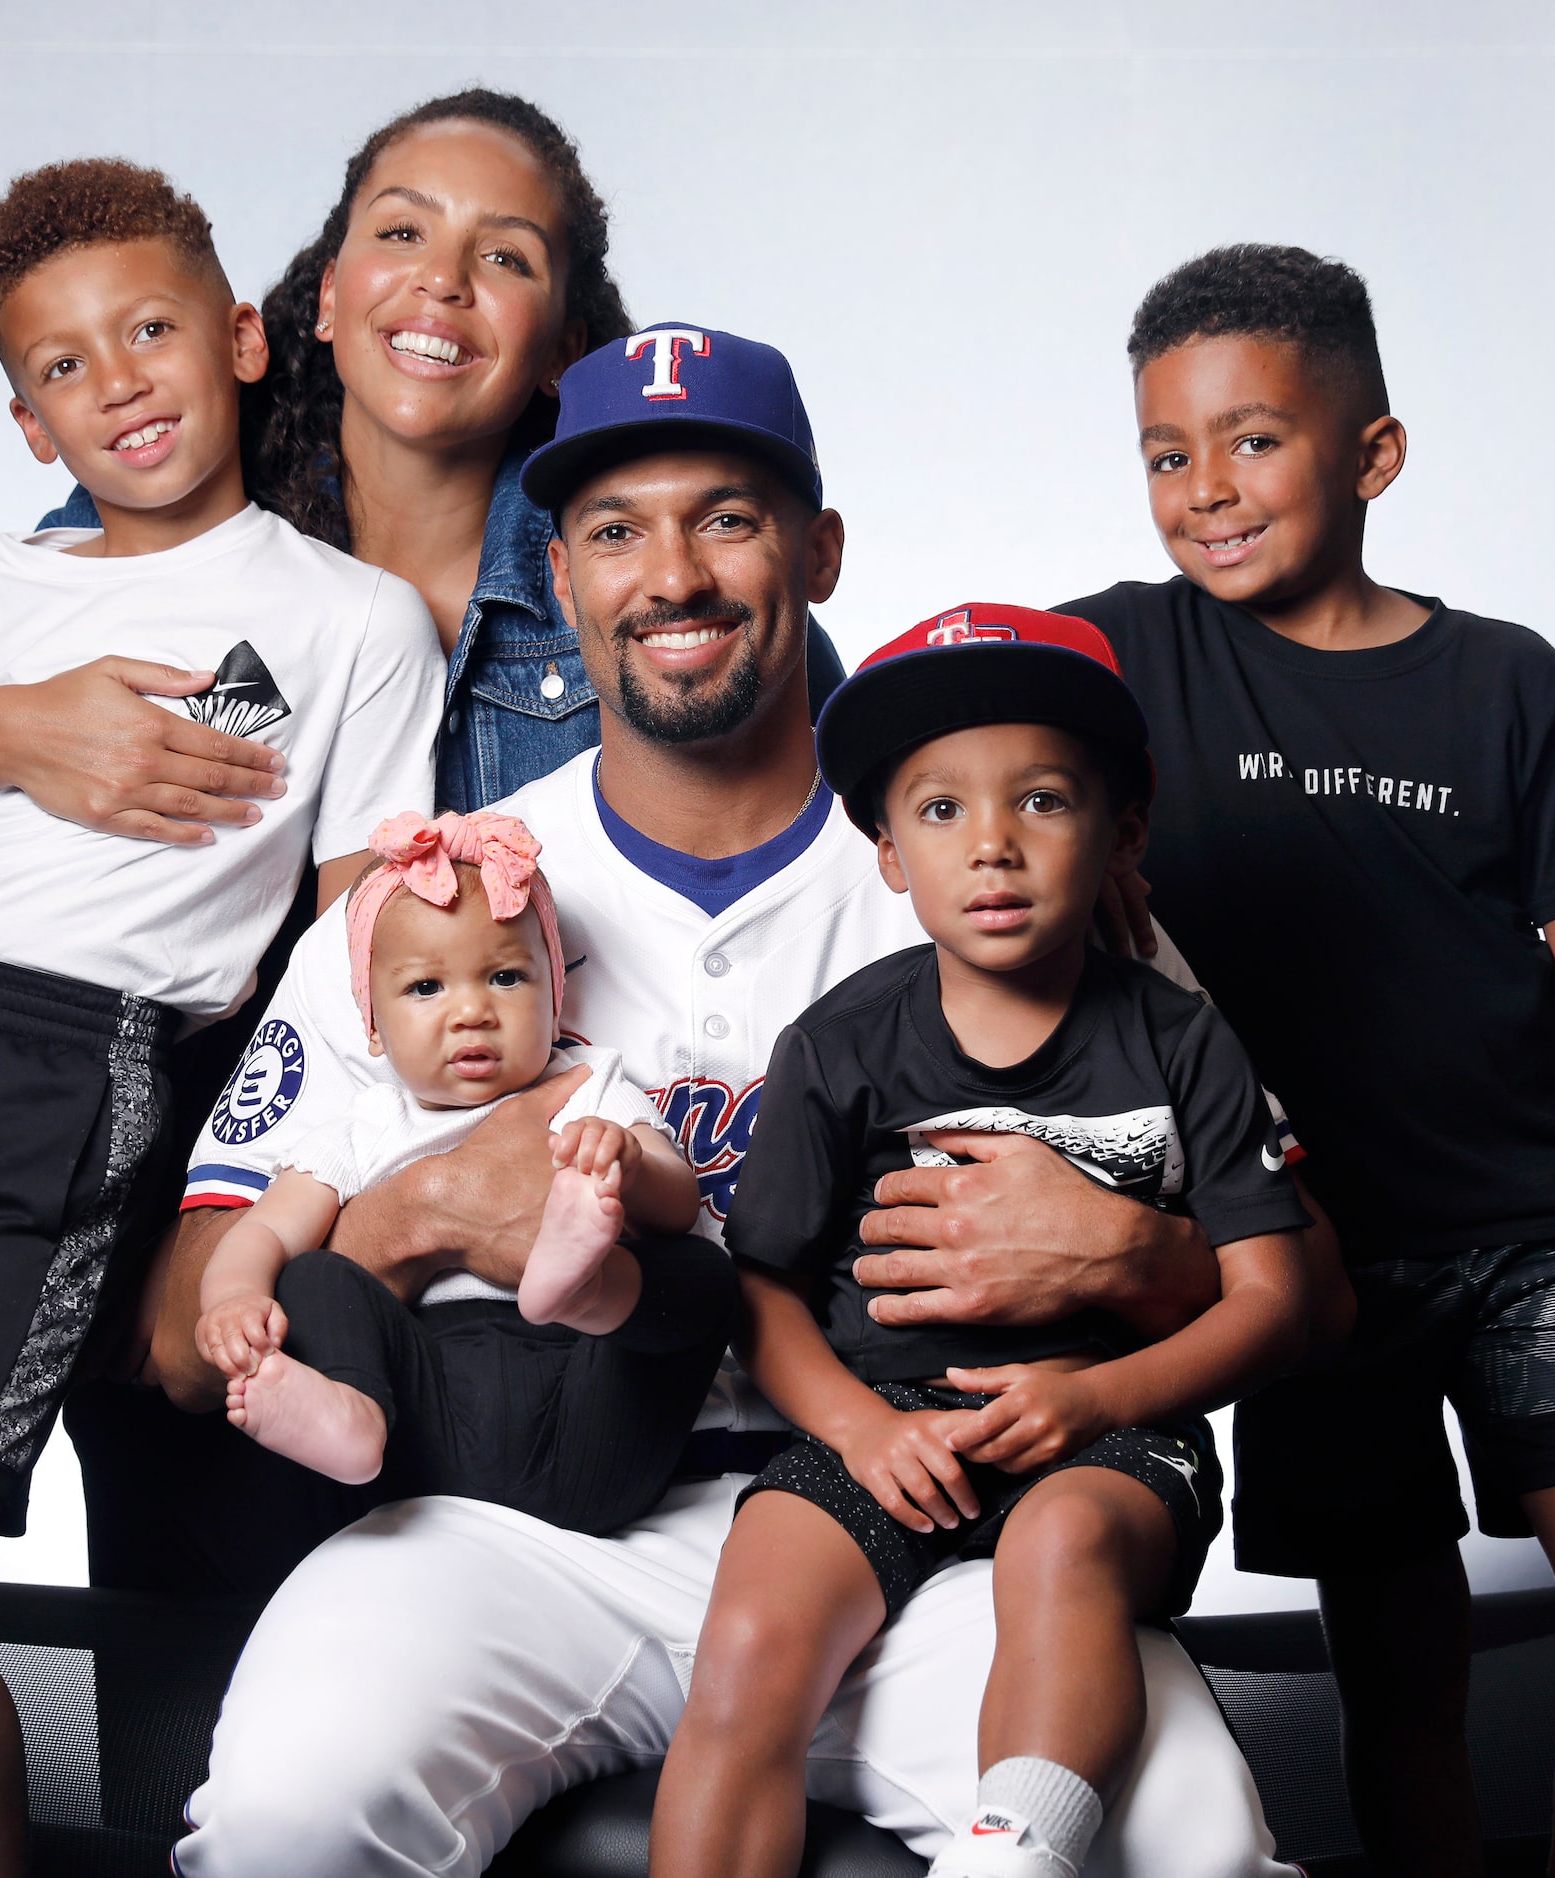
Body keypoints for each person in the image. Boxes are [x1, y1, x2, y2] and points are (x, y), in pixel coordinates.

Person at [151, 327, 1311, 1877]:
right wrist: (415, 1210)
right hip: (527, 1534)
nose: (672, 574)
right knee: (288, 1813)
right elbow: (179, 1336)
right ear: (559, 576)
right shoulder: (440, 886)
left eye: (728, 517)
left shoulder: (990, 852)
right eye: (618, 529)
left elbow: (1310, 1284)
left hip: (946, 1526)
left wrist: (1122, 1260)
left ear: (818, 552)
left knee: (1186, 1845)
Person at [0, 89, 842, 1593]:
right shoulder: (173, 511)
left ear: (565, 340)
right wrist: (13, 730)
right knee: (203, 1764)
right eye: (399, 234)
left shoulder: (635, 576)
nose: (442, 285)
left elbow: (834, 832)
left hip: (531, 1292)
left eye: (504, 257)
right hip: (169, 1224)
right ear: (314, 298)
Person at [0, 160, 442, 1878]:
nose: (114, 380)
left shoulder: (339, 621)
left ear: (246, 341)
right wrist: (5, 723)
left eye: (150, 331)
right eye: (62, 365)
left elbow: (341, 933)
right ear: (28, 420)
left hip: (61, 1073)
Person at [1059, 244, 1555, 1877]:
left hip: (1533, 1237)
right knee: (1400, 1677)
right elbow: (912, 734)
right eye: (1165, 452)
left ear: (1370, 453)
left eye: (1251, 440)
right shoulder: (1114, 661)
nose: (1203, 489)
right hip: (1304, 1262)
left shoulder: (1505, 685)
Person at [652, 604, 1343, 1878]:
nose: (993, 848)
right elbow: (759, 1287)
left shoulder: (1178, 1039)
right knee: (752, 1632)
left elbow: (1271, 1295)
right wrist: (862, 1432)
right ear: (886, 855)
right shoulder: (843, 1043)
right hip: (888, 1430)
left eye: (1041, 802)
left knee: (1061, 1545)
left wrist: (1098, 1397)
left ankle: (1014, 1854)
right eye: (940, 812)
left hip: (1114, 1438)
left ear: (1121, 834)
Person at [196, 807, 733, 1534]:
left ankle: (584, 1288)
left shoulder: (588, 1087)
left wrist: (630, 1163)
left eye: (507, 977)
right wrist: (232, 1298)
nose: (472, 1011)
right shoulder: (366, 1125)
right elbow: (267, 1231)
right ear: (373, 1025)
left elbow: (678, 1200)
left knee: (703, 1272)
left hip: (588, 1414)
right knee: (310, 1274)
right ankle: (349, 1413)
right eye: (426, 989)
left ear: (555, 998)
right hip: (422, 1429)